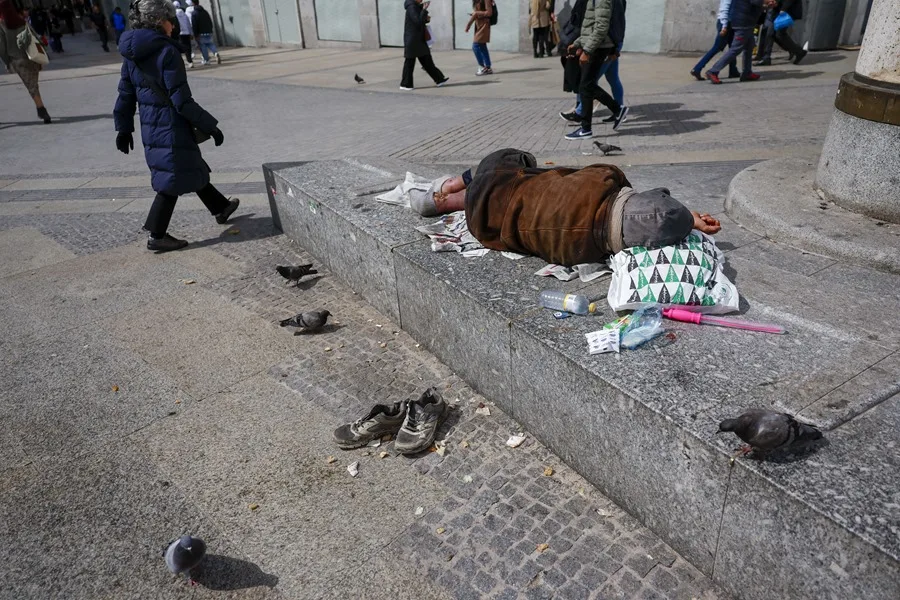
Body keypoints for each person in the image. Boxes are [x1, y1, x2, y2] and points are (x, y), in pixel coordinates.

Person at [409, 149, 721, 267]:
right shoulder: (581, 253)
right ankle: (456, 198)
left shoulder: (604, 177)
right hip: (485, 224)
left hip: (496, 180)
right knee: (512, 192)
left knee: (519, 163)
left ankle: (454, 186)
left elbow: (562, 173)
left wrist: (686, 215)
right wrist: (683, 224)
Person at [113, 0, 240, 253]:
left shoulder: (132, 56)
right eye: (170, 20)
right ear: (160, 21)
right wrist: (210, 126)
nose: (173, 25)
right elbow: (181, 100)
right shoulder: (167, 52)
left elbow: (125, 95)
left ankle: (221, 207)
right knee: (171, 178)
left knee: (189, 165)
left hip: (153, 128)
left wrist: (124, 128)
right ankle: (157, 235)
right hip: (172, 126)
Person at [564, 0, 628, 138]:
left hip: (599, 47)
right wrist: (577, 43)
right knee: (587, 86)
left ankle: (587, 127)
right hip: (597, 45)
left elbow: (601, 27)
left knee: (586, 86)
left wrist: (587, 50)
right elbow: (590, 25)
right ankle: (615, 111)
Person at [0, 0, 52, 123]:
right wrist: (43, 52)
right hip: (32, 56)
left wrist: (7, 62)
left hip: (17, 59)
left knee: (31, 85)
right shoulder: (20, 20)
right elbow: (33, 35)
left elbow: (1, 46)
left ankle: (41, 109)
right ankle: (41, 109)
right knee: (33, 83)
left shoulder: (1, 24)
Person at [705, 0, 775, 84]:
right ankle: (713, 71)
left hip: (746, 22)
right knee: (736, 49)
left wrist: (766, 5)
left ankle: (747, 72)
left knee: (749, 46)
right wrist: (769, 1)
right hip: (743, 23)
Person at [400, 0, 448, 90]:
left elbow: (420, 21)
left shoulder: (415, 6)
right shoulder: (411, 7)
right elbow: (418, 21)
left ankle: (440, 80)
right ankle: (405, 84)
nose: (422, 0)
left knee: (426, 60)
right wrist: (424, 10)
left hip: (417, 39)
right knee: (410, 62)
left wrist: (425, 17)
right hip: (413, 40)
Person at [690, 0, 739, 80]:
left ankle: (733, 70)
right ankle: (697, 68)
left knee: (733, 47)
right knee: (717, 47)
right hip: (726, 23)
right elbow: (725, 9)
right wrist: (724, 26)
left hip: (730, 23)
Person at [754, 0, 806, 66]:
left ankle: (798, 51)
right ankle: (765, 58)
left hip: (784, 11)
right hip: (775, 10)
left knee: (779, 34)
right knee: (769, 32)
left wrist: (783, 9)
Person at [465, 0, 493, 75]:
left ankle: (483, 66)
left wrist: (477, 13)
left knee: (475, 46)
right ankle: (488, 67)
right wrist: (469, 24)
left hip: (484, 25)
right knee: (482, 45)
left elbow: (489, 13)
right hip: (479, 24)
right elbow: (476, 13)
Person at [190, 0, 219, 65]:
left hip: (201, 33)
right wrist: (211, 29)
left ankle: (206, 60)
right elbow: (210, 21)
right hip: (208, 31)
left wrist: (195, 34)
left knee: (203, 46)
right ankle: (216, 53)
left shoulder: (194, 13)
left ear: (193, 3)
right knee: (210, 44)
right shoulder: (205, 11)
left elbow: (194, 25)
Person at [173, 1, 192, 68]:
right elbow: (188, 24)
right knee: (188, 47)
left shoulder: (174, 15)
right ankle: (190, 61)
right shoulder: (184, 14)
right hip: (187, 33)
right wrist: (190, 32)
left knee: (179, 48)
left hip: (180, 33)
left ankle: (181, 63)